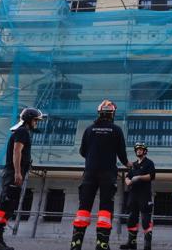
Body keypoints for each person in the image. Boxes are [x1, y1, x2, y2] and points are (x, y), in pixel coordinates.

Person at [70, 100, 131, 250]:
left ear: (99, 113)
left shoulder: (89, 129)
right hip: (108, 174)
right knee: (105, 208)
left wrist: (93, 156)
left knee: (84, 208)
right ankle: (102, 244)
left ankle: (76, 244)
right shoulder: (116, 130)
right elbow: (122, 155)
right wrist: (130, 165)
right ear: (112, 114)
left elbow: (83, 151)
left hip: (90, 173)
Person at [0, 107, 44, 250]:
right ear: (29, 120)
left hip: (12, 173)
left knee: (7, 206)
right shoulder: (22, 132)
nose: (36, 123)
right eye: (36, 120)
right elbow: (16, 151)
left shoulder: (21, 131)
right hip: (13, 173)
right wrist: (17, 173)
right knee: (5, 205)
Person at [120, 142, 156, 250]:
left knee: (145, 220)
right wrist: (127, 180)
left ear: (145, 151)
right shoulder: (133, 164)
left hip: (144, 195)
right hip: (133, 195)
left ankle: (147, 245)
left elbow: (152, 176)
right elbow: (127, 176)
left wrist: (139, 177)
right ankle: (132, 243)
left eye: (140, 149)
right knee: (131, 219)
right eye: (137, 149)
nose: (138, 151)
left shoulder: (149, 163)